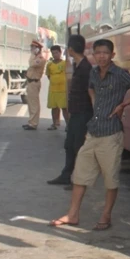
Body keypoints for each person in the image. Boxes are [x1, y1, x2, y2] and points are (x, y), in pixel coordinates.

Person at [50, 39, 130, 231]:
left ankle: (106, 215)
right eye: (98, 53)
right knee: (79, 175)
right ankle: (73, 215)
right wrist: (94, 101)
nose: (101, 56)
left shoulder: (120, 74)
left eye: (105, 53)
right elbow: (90, 87)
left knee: (110, 179)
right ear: (93, 55)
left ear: (112, 55)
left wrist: (123, 105)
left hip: (111, 134)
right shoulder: (93, 72)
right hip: (92, 132)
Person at [47, 35, 93, 187]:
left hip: (83, 113)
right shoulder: (77, 65)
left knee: (79, 146)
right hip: (76, 112)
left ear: (71, 50)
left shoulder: (85, 68)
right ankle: (66, 175)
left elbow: (91, 92)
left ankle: (79, 179)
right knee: (69, 145)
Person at [23, 40, 47, 131]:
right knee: (30, 103)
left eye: (33, 48)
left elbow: (31, 64)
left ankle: (33, 123)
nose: (31, 49)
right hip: (30, 82)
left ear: (38, 49)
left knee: (34, 104)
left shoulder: (40, 59)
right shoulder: (35, 57)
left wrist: (33, 54)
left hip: (34, 82)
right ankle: (31, 121)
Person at [45, 45, 69, 131]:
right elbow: (48, 75)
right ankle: (54, 124)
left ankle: (68, 125)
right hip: (53, 90)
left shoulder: (65, 63)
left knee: (65, 108)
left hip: (63, 90)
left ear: (60, 52)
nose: (55, 55)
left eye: (56, 53)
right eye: (53, 53)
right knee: (54, 108)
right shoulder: (49, 64)